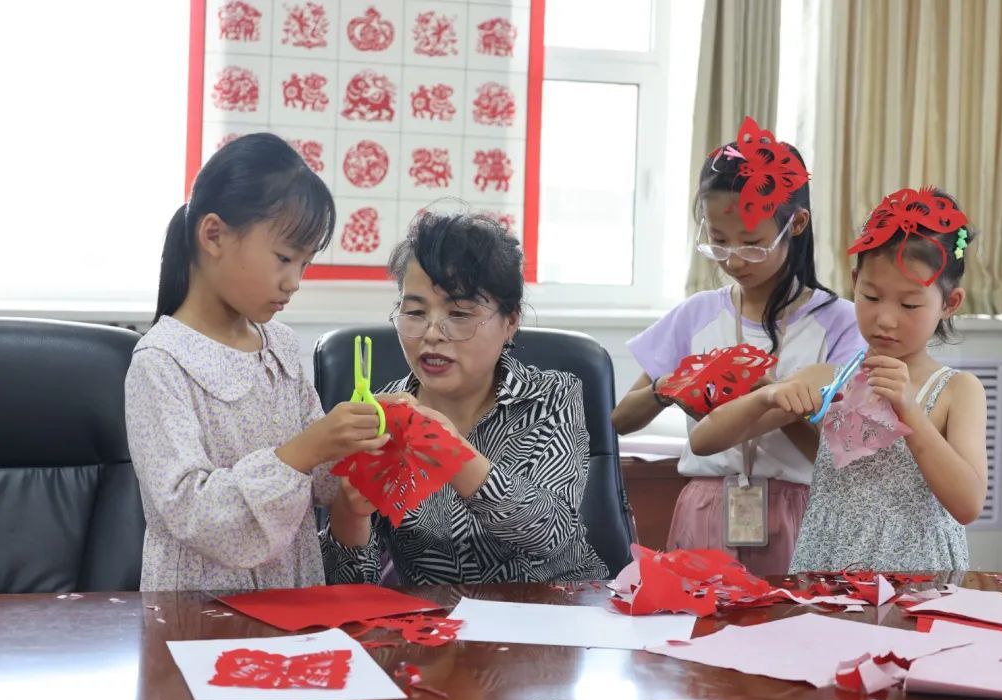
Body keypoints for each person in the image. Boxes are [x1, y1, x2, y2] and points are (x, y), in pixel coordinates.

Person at [126, 133, 388, 591]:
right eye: (284, 258)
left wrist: (365, 438)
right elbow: (191, 513)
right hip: (201, 609)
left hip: (292, 597)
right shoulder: (161, 362)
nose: (294, 282)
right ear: (214, 235)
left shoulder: (279, 346)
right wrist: (303, 451)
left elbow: (322, 482)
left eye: (304, 264)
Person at [611, 117, 862, 575]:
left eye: (752, 244)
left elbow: (838, 460)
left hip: (802, 512)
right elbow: (621, 421)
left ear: (796, 224)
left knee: (797, 618)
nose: (733, 259)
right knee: (698, 618)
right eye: (718, 242)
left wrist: (776, 398)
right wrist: (669, 387)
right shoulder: (696, 314)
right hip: (706, 508)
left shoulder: (842, 322)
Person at [691, 187, 988, 572]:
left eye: (909, 304)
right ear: (854, 282)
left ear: (949, 303)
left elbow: (967, 504)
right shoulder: (831, 379)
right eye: (871, 297)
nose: (886, 319)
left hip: (918, 577)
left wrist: (910, 411)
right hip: (828, 570)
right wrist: (768, 396)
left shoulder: (957, 391)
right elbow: (703, 441)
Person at [323, 212, 608, 584]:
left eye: (459, 314)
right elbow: (348, 587)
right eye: (415, 312)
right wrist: (350, 514)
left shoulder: (551, 396)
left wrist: (454, 455)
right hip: (434, 615)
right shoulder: (378, 417)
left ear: (510, 322)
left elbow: (551, 534)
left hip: (553, 606)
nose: (432, 333)